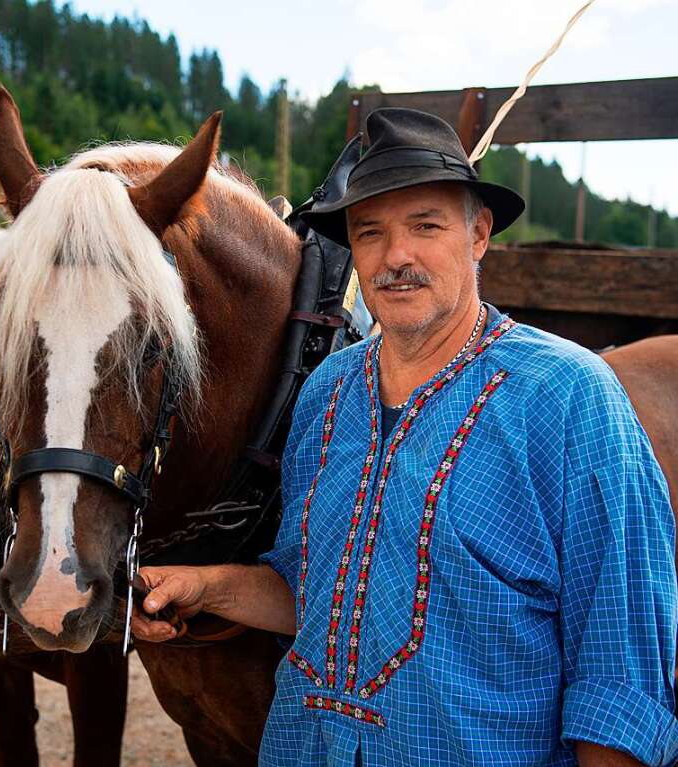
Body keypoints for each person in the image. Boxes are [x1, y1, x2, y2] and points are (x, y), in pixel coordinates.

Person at [132, 110, 678, 765]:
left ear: (477, 234)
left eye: (425, 225)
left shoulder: (569, 396)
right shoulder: (326, 393)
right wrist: (208, 587)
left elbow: (620, 667)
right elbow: (316, 594)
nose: (396, 257)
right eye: (370, 233)